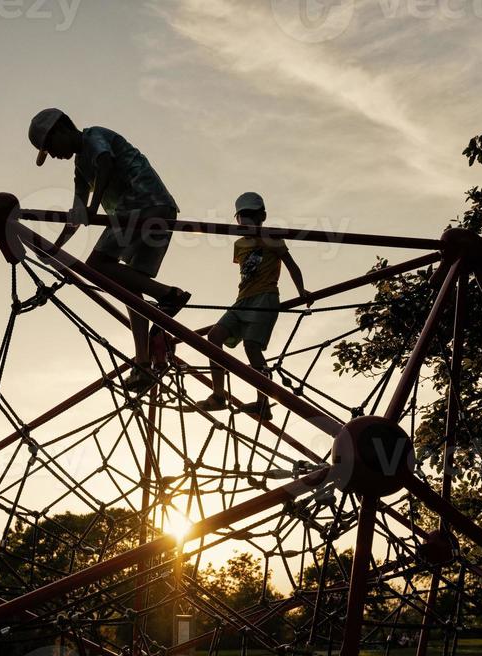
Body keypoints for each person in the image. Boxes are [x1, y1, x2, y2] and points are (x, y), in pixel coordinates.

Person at [28, 108, 191, 392]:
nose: (53, 155)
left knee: (96, 266)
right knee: (129, 289)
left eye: (50, 147)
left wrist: (94, 206)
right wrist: (55, 247)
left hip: (142, 206)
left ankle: (168, 295)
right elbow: (79, 212)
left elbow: (105, 163)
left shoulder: (94, 137)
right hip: (155, 210)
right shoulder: (80, 168)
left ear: (62, 129)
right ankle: (142, 364)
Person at [195, 192, 311, 421]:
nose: (245, 221)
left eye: (250, 215)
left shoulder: (271, 237)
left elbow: (291, 265)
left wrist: (301, 290)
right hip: (242, 300)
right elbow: (246, 272)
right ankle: (218, 395)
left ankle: (263, 403)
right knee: (214, 336)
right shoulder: (239, 244)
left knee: (251, 346)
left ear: (262, 216)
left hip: (265, 297)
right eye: (241, 216)